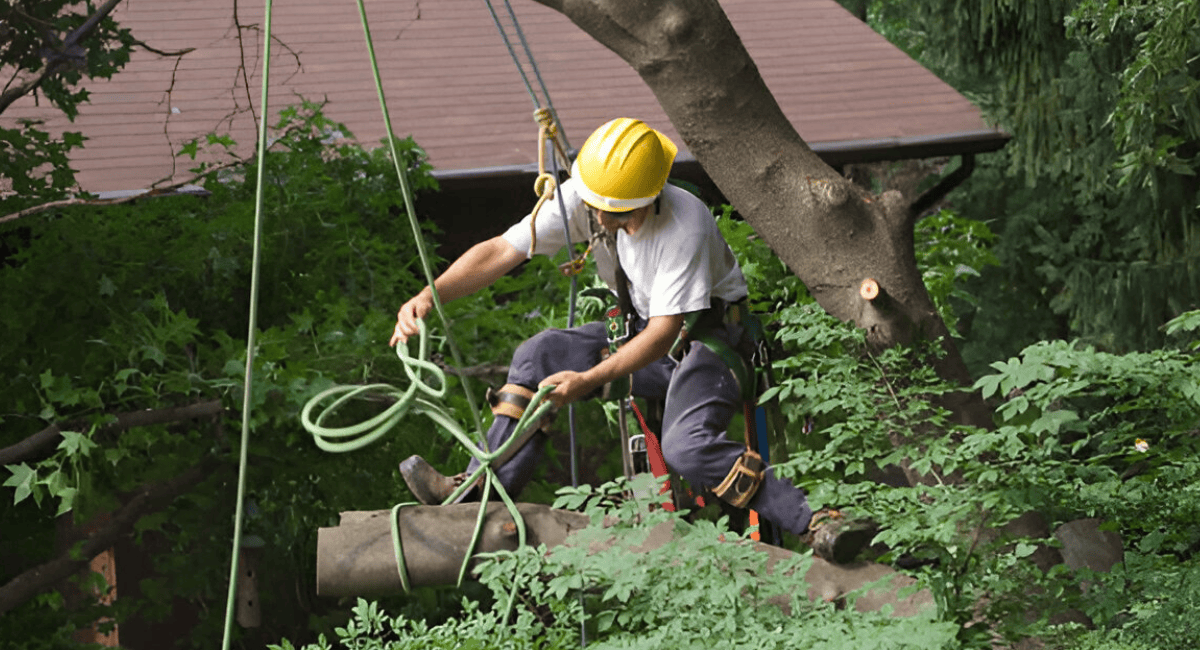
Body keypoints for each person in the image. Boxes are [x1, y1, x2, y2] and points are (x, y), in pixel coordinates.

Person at [392, 118, 865, 560]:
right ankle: (482, 492)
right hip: (645, 333)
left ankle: (816, 521)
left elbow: (665, 334)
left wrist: (589, 379)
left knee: (686, 445)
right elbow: (501, 250)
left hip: (711, 342)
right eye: (598, 209)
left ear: (648, 196)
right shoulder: (592, 194)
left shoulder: (684, 226)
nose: (601, 220)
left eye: (619, 213)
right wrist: (429, 296)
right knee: (539, 354)